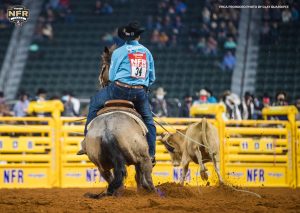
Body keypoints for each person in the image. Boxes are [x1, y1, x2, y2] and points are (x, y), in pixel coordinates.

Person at [79, 21, 157, 165]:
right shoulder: (146, 52)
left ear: (125, 37)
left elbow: (113, 76)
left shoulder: (119, 52)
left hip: (118, 90)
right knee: (149, 121)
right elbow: (151, 78)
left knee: (95, 103)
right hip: (139, 93)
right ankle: (151, 154)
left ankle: (86, 142)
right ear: (138, 36)